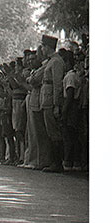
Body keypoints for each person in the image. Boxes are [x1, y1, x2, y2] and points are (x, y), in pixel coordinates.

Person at [40, 35, 67, 173]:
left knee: (54, 132)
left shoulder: (56, 61)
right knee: (50, 131)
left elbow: (57, 84)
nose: (42, 49)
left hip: (51, 100)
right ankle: (53, 161)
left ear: (48, 47)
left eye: (43, 46)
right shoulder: (51, 61)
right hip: (46, 99)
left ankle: (57, 163)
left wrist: (57, 104)